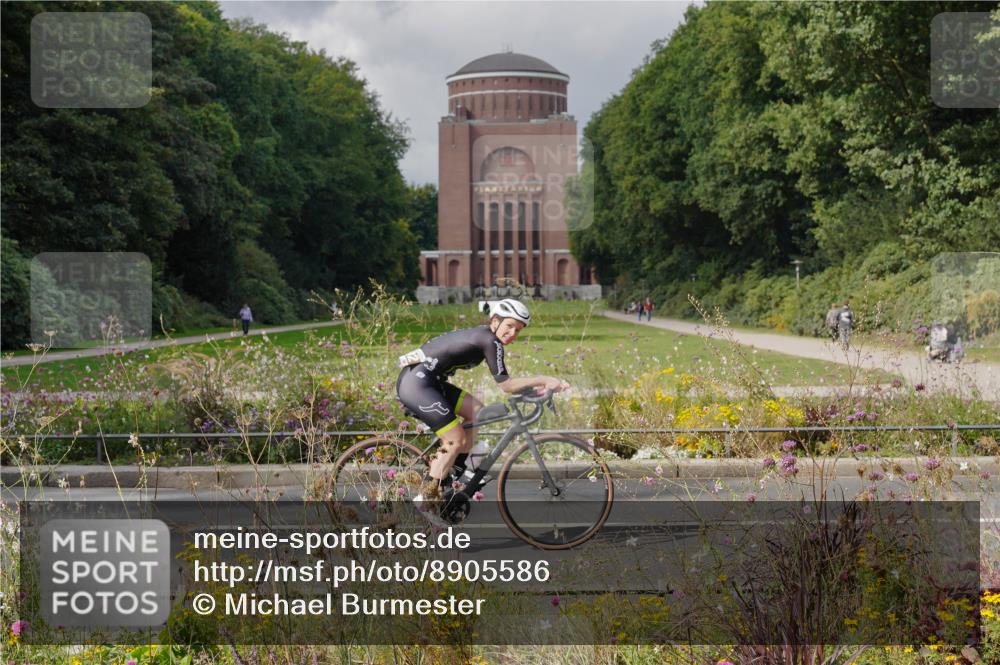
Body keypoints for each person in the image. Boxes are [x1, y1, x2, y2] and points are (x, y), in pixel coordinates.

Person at [395, 298, 570, 514]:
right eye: (509, 326)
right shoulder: (489, 341)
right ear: (494, 320)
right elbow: (506, 385)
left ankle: (455, 470)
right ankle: (426, 502)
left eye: (518, 330)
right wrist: (543, 378)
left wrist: (535, 390)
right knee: (455, 440)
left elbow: (509, 385)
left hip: (429, 381)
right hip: (417, 385)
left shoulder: (487, 337)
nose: (512, 334)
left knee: (476, 411)